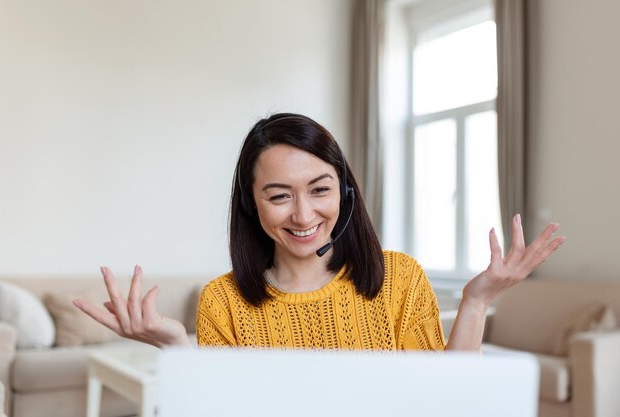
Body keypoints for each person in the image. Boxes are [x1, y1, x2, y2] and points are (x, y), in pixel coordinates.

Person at [73, 113, 565, 351]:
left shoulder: (399, 278)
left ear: (345, 194)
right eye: (279, 194)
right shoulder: (222, 301)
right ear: (251, 204)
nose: (304, 215)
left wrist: (476, 301)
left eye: (319, 189)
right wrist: (180, 350)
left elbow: (445, 403)